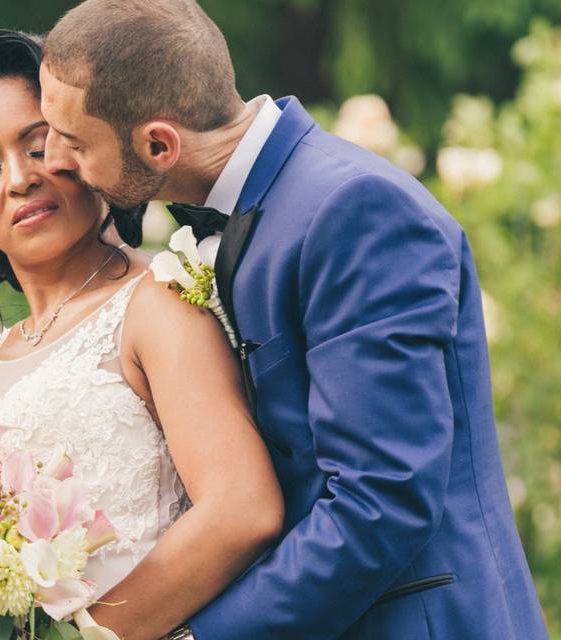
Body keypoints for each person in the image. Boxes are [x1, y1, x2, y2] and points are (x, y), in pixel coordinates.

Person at [39, 1, 548, 638]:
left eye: (75, 141)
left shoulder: (354, 211)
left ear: (158, 145)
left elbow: (381, 501)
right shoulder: (262, 204)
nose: (55, 161)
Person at [0, 29, 283, 639]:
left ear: (84, 147)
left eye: (38, 148)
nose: (19, 179)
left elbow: (241, 509)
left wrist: (81, 635)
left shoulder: (156, 306)